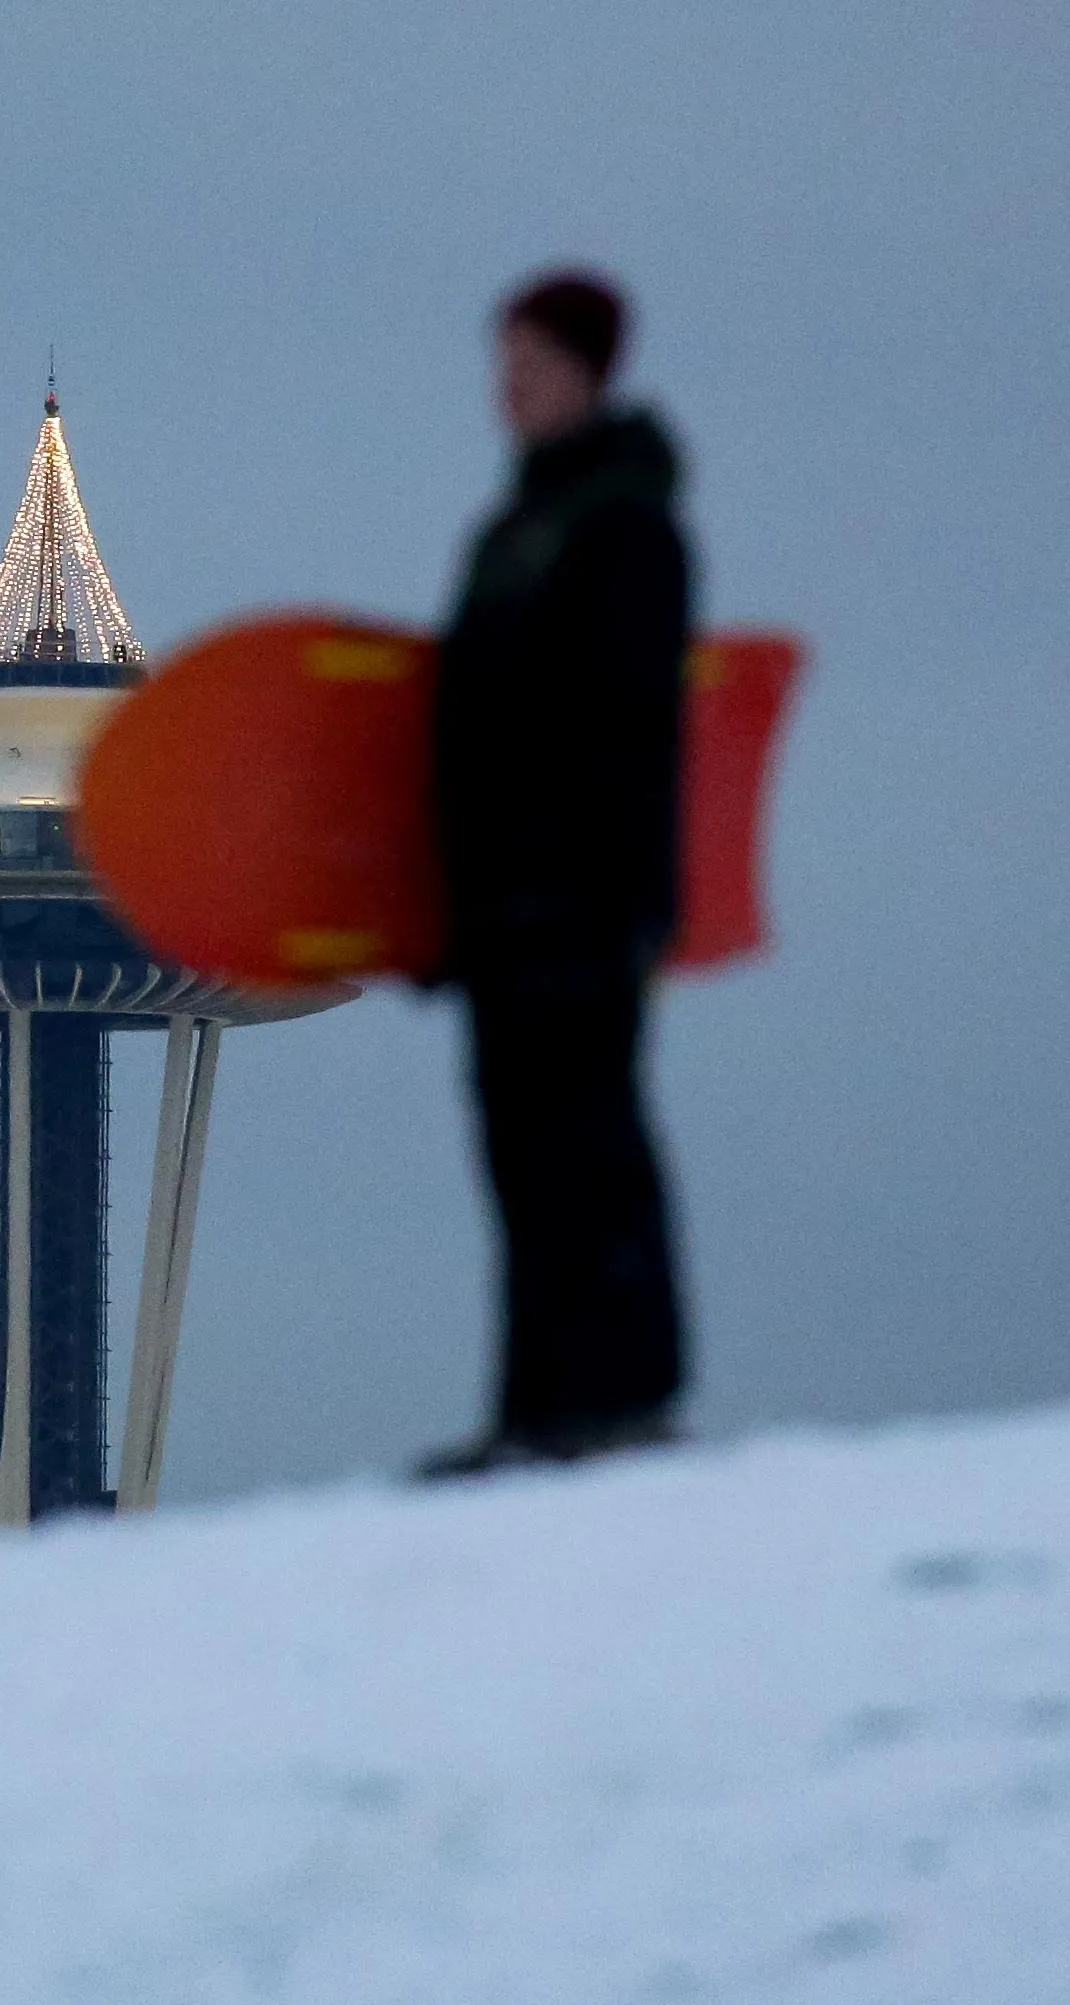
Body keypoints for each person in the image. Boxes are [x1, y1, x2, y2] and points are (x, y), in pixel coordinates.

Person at [416, 270, 692, 1479]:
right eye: (503, 361)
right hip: (496, 904)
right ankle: (534, 1408)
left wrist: (616, 896)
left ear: (587, 371)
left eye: (530, 363)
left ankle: (625, 1395)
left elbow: (630, 729)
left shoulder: (624, 525)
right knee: (518, 1155)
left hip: (580, 900)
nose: (508, 386)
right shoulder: (508, 533)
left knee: (590, 1142)